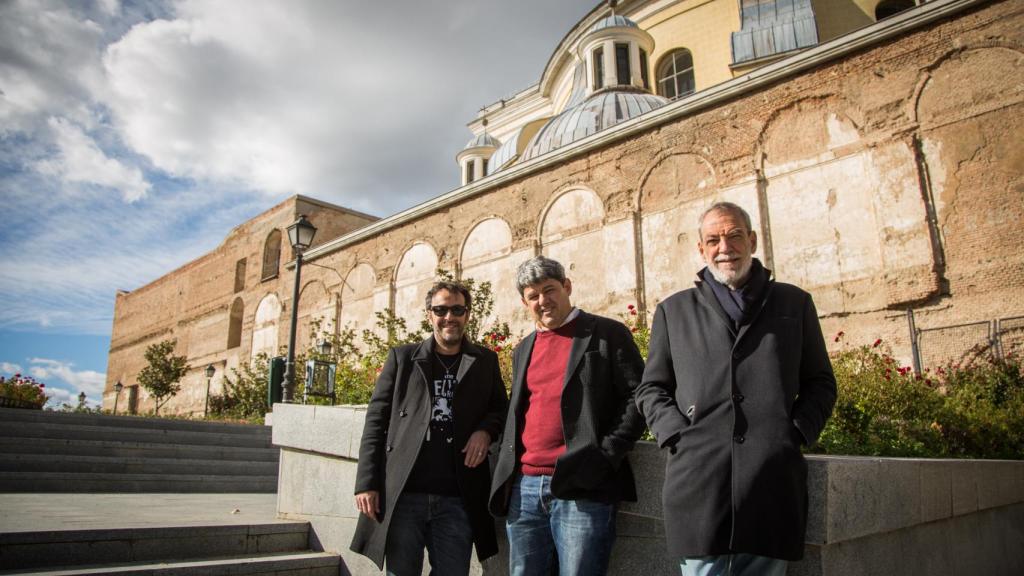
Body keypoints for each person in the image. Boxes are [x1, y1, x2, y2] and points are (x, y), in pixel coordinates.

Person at [636, 202, 837, 576]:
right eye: (713, 239)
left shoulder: (794, 304)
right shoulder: (674, 311)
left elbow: (821, 382)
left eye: (734, 235)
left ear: (753, 240)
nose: (724, 246)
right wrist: (678, 435)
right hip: (698, 483)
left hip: (771, 481)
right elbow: (651, 388)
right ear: (701, 249)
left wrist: (793, 433)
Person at [489, 255, 646, 576]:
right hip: (525, 488)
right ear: (524, 302)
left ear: (567, 286)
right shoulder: (524, 348)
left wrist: (604, 456)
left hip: (582, 485)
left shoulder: (606, 334)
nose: (543, 301)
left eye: (550, 290)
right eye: (533, 296)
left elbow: (638, 396)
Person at [351, 281, 508, 575]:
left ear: (467, 314)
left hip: (457, 498)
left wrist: (485, 431)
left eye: (457, 309)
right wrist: (366, 482)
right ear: (429, 315)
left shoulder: (485, 361)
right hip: (404, 495)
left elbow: (501, 408)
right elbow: (376, 422)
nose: (449, 317)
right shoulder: (403, 358)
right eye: (441, 309)